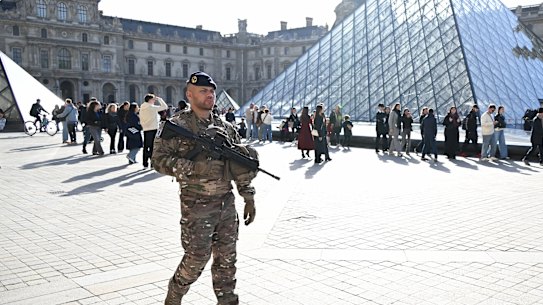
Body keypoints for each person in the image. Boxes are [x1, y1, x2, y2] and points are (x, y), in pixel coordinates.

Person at [152, 72, 257, 305]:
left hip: (226, 203)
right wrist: (193, 167)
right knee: (196, 258)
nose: (209, 95)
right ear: (189, 94)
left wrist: (247, 195)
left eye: (211, 91)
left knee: (227, 259)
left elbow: (238, 163)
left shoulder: (225, 127)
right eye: (203, 91)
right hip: (196, 204)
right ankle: (174, 295)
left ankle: (227, 300)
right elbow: (157, 160)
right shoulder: (176, 126)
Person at [139, 93, 168, 169]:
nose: (154, 101)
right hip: (153, 128)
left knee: (146, 147)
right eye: (153, 100)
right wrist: (160, 99)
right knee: (153, 147)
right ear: (150, 100)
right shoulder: (151, 107)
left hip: (145, 129)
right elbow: (165, 106)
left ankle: (145, 164)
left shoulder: (142, 107)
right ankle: (152, 164)